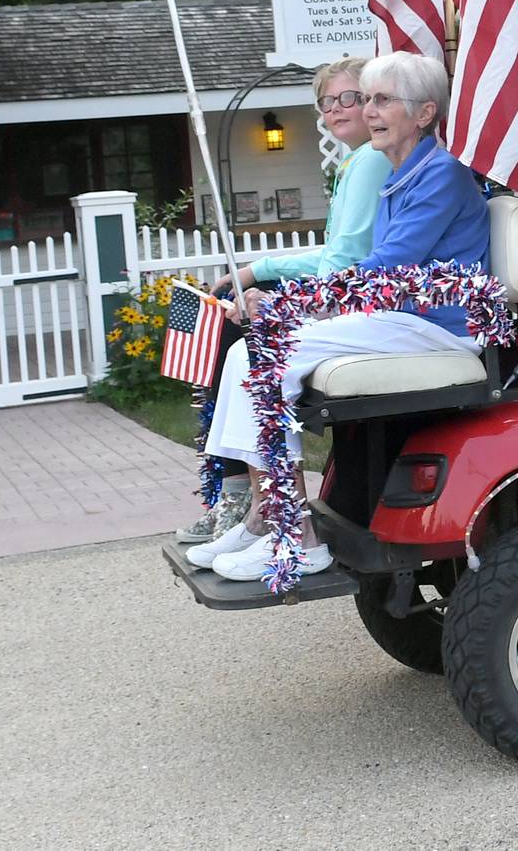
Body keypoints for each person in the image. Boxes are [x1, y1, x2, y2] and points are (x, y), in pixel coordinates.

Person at [186, 51, 490, 581]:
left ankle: (295, 536)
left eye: (382, 100)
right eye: (366, 99)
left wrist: (282, 303)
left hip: (439, 328)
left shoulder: (439, 176)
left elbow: (383, 270)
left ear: (424, 114)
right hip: (403, 320)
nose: (369, 111)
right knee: (245, 352)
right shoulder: (404, 174)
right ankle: (270, 517)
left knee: (261, 351)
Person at [175, 57, 391, 544]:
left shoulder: (371, 161)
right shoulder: (357, 160)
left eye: (349, 98)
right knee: (234, 319)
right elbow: (337, 252)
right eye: (326, 102)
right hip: (351, 284)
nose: (336, 110)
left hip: (362, 293)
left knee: (240, 332)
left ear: (376, 100)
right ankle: (242, 490)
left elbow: (343, 260)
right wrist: (259, 270)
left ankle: (244, 495)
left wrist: (268, 284)